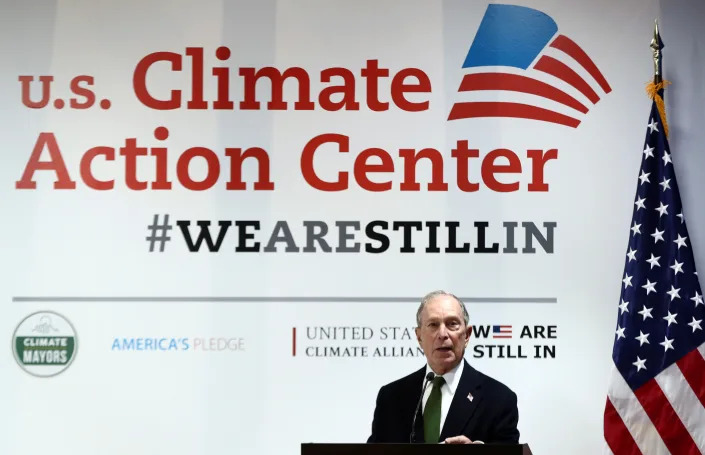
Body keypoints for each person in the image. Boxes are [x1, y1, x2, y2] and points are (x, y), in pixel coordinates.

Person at [367, 290, 520, 444]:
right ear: (419, 337)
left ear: (467, 335)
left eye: (452, 324)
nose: (442, 334)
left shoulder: (499, 399)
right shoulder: (391, 397)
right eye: (433, 325)